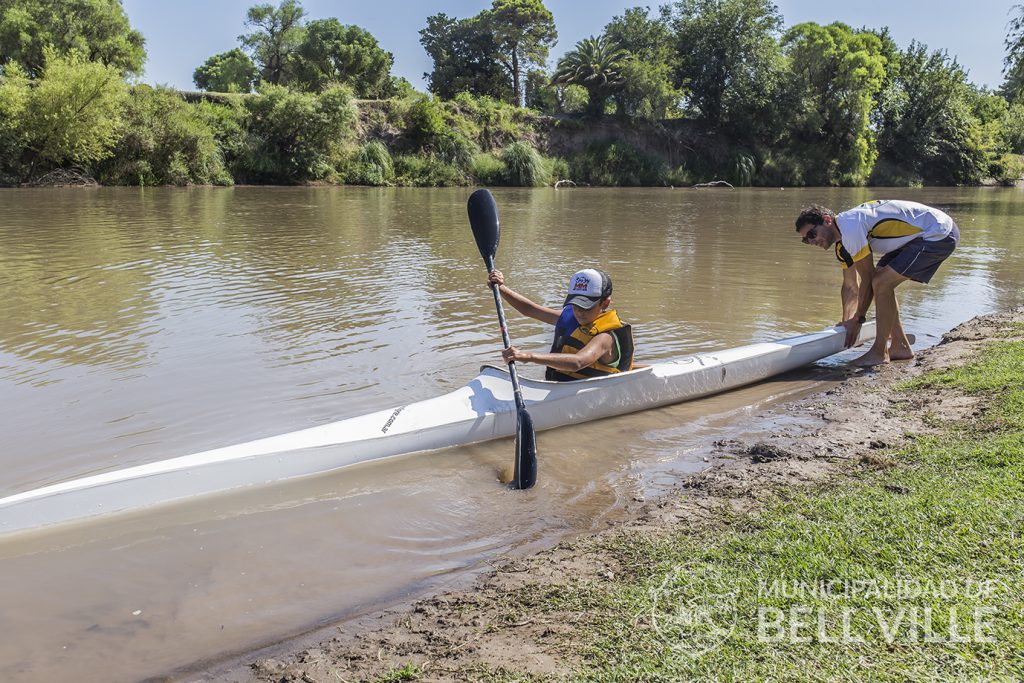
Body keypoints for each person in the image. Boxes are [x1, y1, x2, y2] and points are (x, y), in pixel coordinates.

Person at [795, 199, 959, 367]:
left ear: (827, 220)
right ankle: (900, 346)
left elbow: (867, 281)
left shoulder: (850, 228)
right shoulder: (842, 245)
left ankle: (879, 353)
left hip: (939, 233)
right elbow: (851, 285)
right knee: (881, 279)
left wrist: (858, 320)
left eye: (811, 234)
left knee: (880, 283)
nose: (811, 241)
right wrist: (846, 324)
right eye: (806, 240)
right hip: (918, 237)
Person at [487, 268, 634, 381]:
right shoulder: (571, 318)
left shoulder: (605, 338)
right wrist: (501, 288)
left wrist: (527, 356)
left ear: (605, 303)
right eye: (575, 306)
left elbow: (578, 362)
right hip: (561, 387)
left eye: (586, 307)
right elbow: (529, 309)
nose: (579, 312)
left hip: (590, 391)